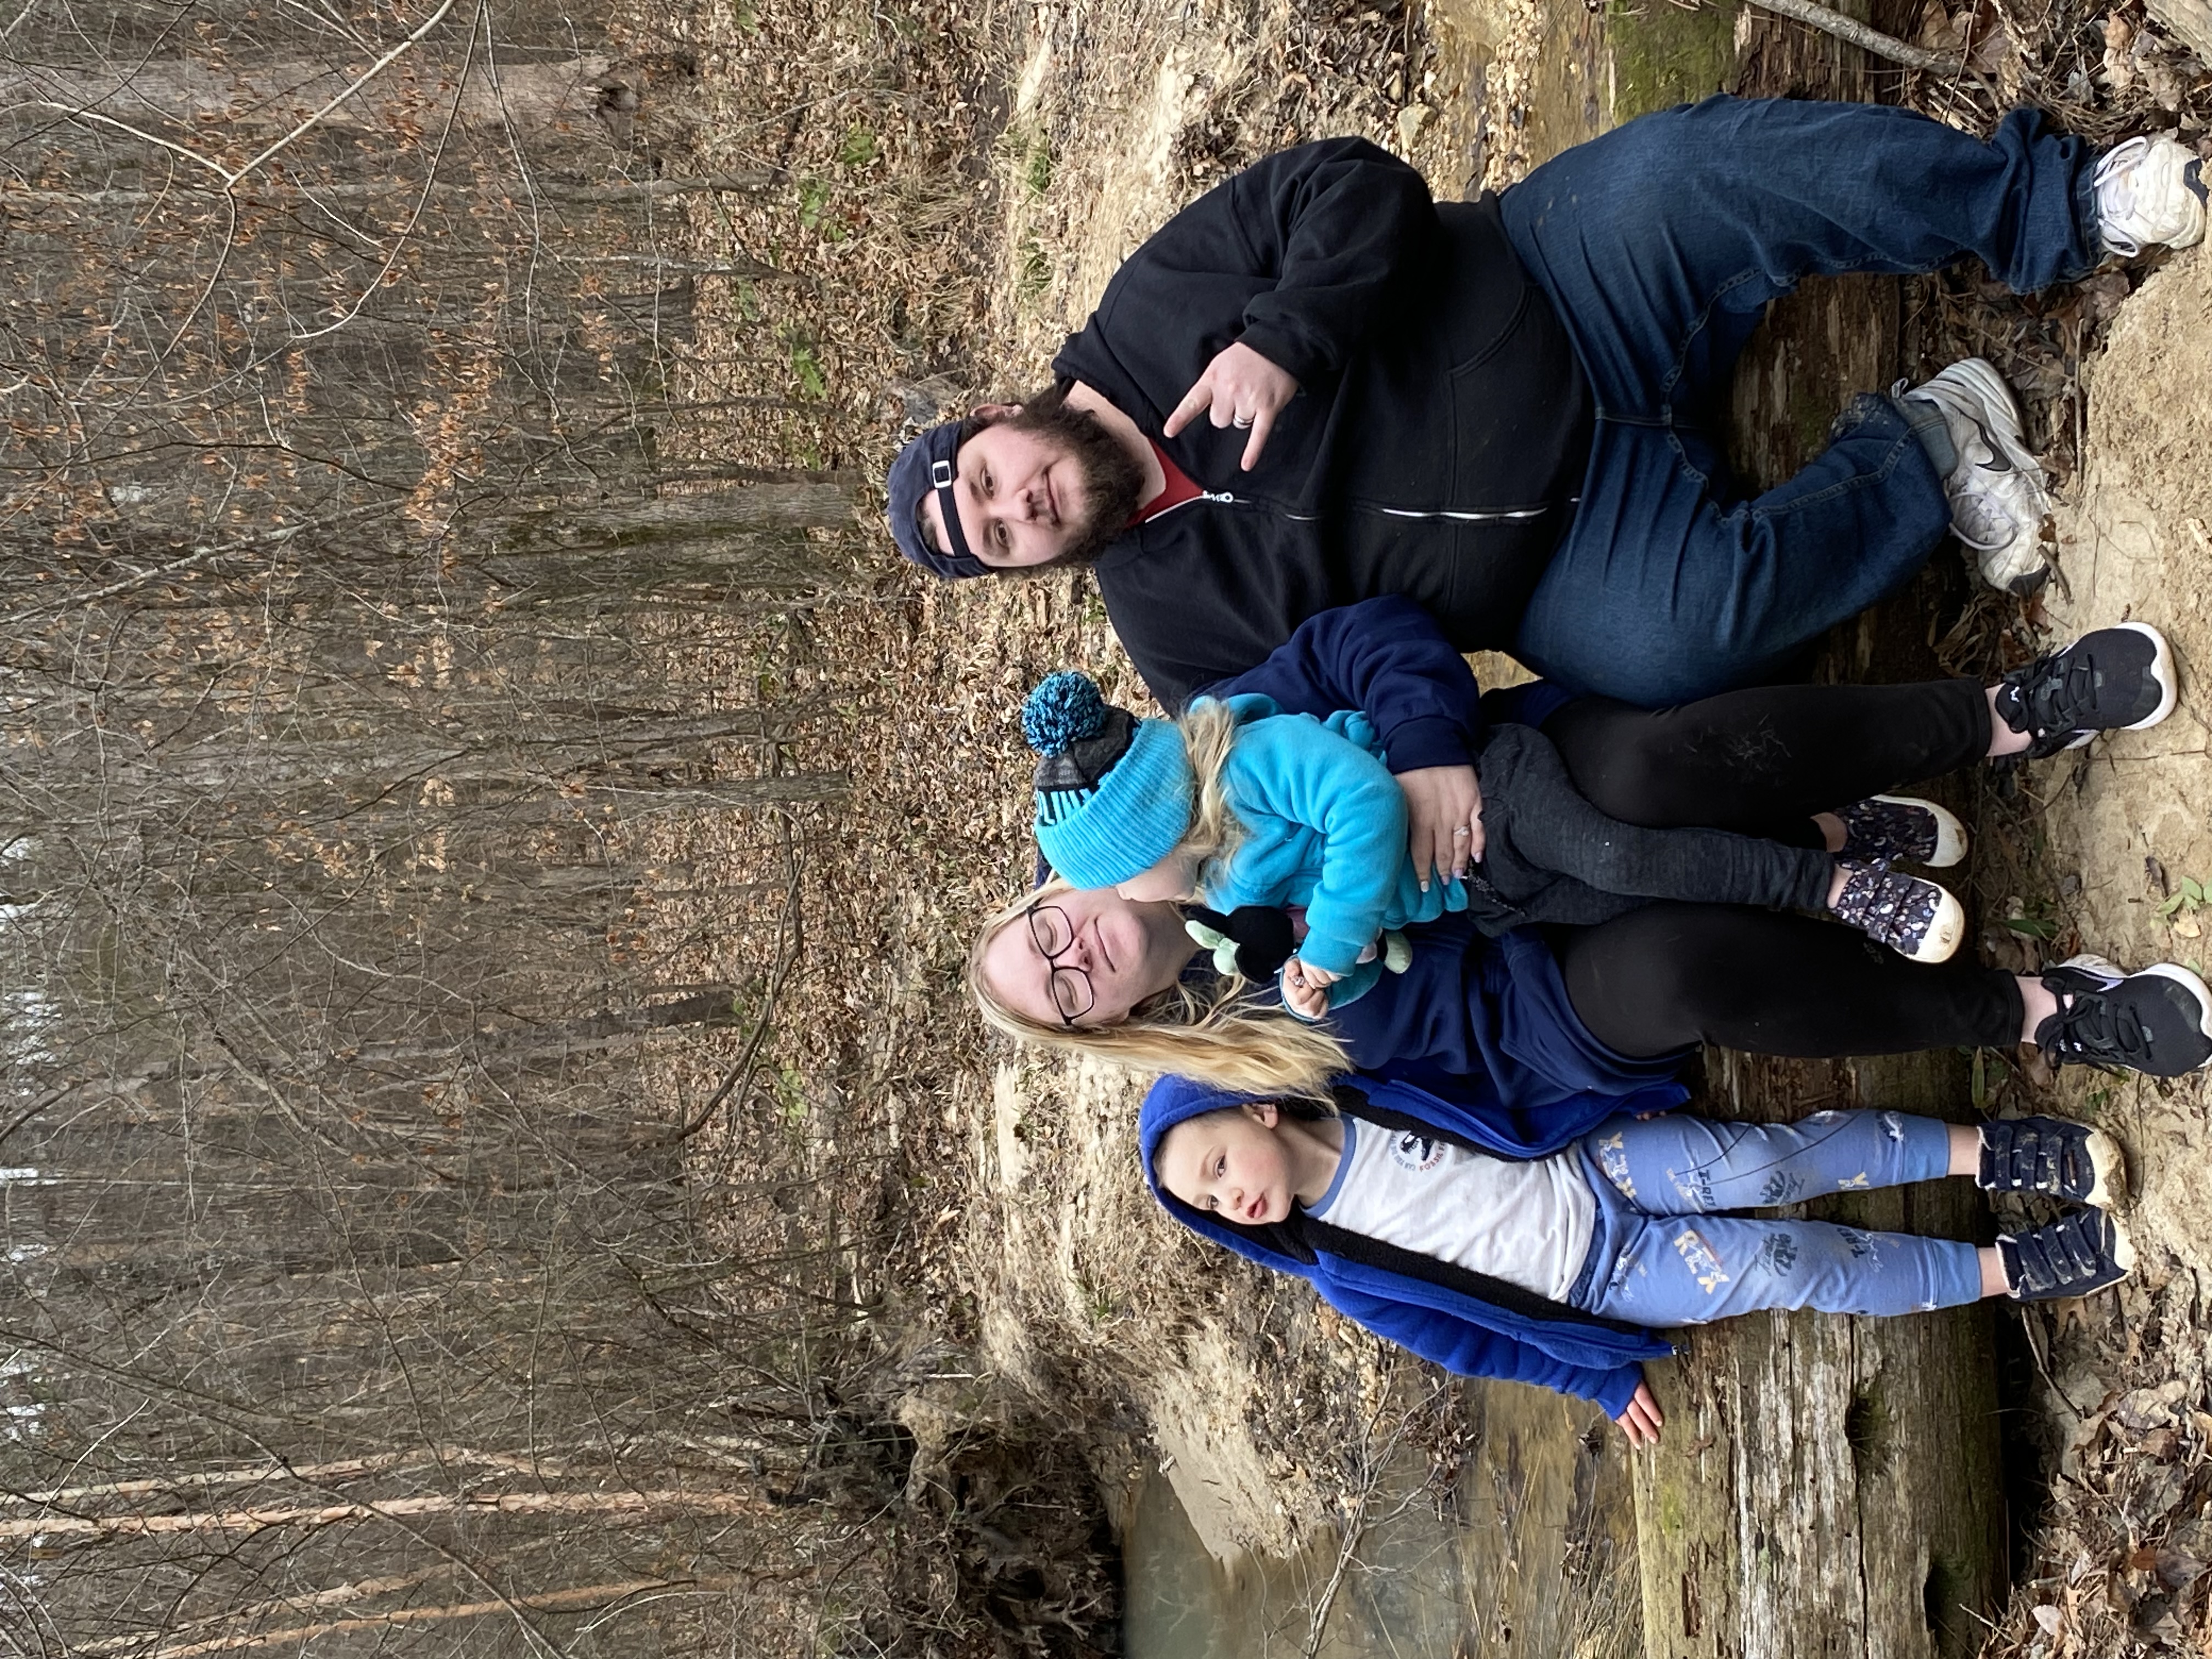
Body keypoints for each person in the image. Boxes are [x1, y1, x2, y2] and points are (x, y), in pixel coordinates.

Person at [884, 99, 2208, 711]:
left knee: (1703, 172)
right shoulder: (1173, 635)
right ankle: (1923, 443)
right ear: (1028, 567)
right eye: (1001, 534)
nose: (1021, 503)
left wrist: (1287, 338)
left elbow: (1355, 183)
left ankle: (2053, 209)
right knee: (1674, 649)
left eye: (989, 478)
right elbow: (1332, 724)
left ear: (999, 421)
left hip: (1553, 285)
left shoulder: (1149, 309)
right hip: (1562, 556)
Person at [970, 618, 2209, 1099]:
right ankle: (2037, 1008)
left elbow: (1369, 646)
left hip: (1498, 783)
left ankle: (1992, 718)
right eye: (1064, 990)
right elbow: (1463, 1057)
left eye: (1043, 934)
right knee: (1665, 973)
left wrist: (1425, 751)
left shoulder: (1207, 749)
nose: (1071, 955)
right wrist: (1346, 969)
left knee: (1642, 783)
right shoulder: (1248, 1038)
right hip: (1530, 970)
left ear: (1057, 884)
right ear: (1110, 1020)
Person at [1139, 1071, 2132, 1442]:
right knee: (1788, 1266)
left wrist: (1606, 1087)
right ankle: (2009, 1269)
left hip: (1596, 1161)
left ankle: (1990, 1150)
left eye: (1220, 1162)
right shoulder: (1341, 1270)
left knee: (1771, 1162)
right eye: (1211, 1203)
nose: (1234, 1197)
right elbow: (1471, 1346)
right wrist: (1600, 1384)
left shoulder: (1361, 1087)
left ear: (1256, 1103)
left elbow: (1496, 1074)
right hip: (1602, 1280)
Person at [1017, 663, 1972, 1025]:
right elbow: (1359, 939)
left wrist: (1329, 940)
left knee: (1623, 855)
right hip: (1485, 894)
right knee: (1639, 893)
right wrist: (1324, 982)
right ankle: (1843, 827)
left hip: (1496, 797)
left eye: (1112, 874)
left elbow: (1363, 808)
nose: (1121, 896)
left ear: (1150, 830)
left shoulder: (1252, 764)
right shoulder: (1220, 902)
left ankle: (1831, 886)